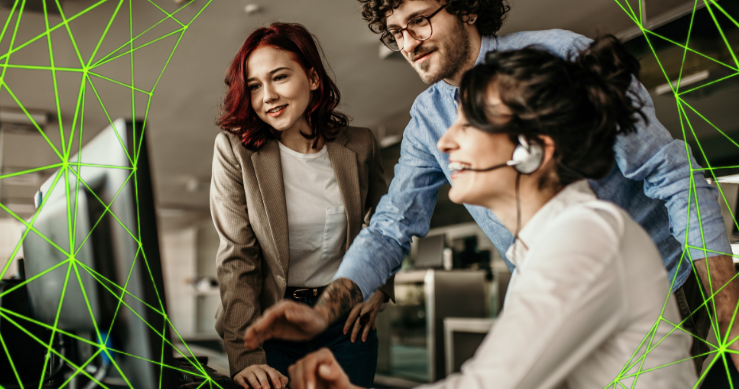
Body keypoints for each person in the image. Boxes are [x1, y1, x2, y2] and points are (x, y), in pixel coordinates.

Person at [243, 0, 739, 375]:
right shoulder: (428, 115)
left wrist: (728, 309)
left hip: (675, 287)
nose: (409, 42)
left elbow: (674, 175)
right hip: (560, 290)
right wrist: (323, 313)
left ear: (466, 7)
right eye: (396, 32)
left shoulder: (558, 57)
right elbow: (391, 225)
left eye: (420, 19)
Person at [211, 22, 394, 389]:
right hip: (272, 326)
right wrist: (244, 356)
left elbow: (386, 227)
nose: (267, 96)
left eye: (279, 77)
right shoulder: (236, 152)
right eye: (254, 86)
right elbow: (238, 257)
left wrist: (380, 288)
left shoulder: (360, 146)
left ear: (312, 78)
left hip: (346, 323)